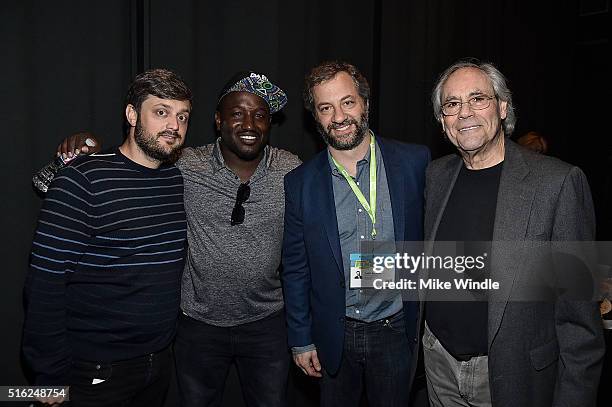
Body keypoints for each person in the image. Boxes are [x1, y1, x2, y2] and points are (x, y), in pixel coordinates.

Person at [54, 71, 301, 407]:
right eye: (237, 113)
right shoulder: (185, 164)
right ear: (218, 120)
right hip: (197, 327)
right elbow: (134, 158)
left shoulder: (290, 169)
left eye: (260, 115)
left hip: (267, 326)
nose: (249, 124)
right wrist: (82, 148)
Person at [417, 58, 605, 406]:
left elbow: (580, 321)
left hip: (512, 376)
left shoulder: (559, 183)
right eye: (452, 104)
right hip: (438, 363)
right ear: (443, 121)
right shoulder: (436, 175)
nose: (465, 113)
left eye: (478, 99)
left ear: (503, 108)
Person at [23, 68, 193, 406]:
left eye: (183, 116)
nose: (174, 125)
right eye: (161, 112)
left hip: (158, 364)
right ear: (132, 114)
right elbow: (44, 284)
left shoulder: (177, 179)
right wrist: (50, 377)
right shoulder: (82, 180)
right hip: (92, 371)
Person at [281, 61, 430, 406]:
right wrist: (301, 339)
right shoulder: (300, 183)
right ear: (315, 117)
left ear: (365, 103)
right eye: (325, 107)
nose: (339, 116)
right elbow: (295, 267)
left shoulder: (415, 162)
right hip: (335, 334)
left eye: (347, 102)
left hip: (397, 329)